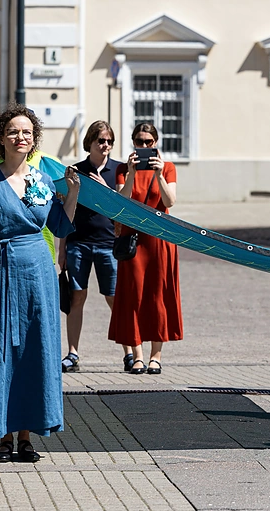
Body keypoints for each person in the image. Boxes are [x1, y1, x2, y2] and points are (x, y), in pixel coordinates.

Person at [0, 104, 80, 462]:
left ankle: (26, 437)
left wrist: (72, 194)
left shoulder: (42, 180)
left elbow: (60, 226)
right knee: (0, 352)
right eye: (13, 132)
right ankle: (4, 436)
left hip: (38, 278)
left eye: (26, 132)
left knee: (34, 353)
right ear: (1, 140)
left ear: (34, 139)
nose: (20, 137)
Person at [59, 121, 133, 373]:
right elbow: (67, 212)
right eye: (101, 140)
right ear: (89, 142)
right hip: (78, 243)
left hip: (108, 245)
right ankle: (72, 353)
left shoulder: (119, 170)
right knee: (76, 297)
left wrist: (105, 189)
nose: (105, 145)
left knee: (113, 298)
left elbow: (123, 209)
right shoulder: (76, 171)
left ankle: (129, 353)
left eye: (109, 141)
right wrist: (62, 250)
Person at [109, 123, 183, 375]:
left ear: (155, 143)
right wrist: (130, 173)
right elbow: (121, 201)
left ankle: (156, 356)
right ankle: (138, 356)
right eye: (139, 142)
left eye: (148, 142)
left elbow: (170, 201)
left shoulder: (168, 167)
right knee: (133, 297)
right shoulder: (122, 169)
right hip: (132, 240)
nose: (143, 147)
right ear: (133, 143)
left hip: (160, 240)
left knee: (157, 297)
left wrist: (159, 175)